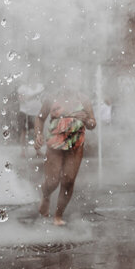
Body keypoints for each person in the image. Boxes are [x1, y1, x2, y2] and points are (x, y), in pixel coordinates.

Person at [34, 84, 96, 226]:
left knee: (68, 180)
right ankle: (46, 195)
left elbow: (93, 124)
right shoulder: (51, 98)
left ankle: (58, 215)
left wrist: (87, 120)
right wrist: (38, 134)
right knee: (52, 181)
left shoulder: (83, 99)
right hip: (55, 143)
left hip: (76, 144)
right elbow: (40, 118)